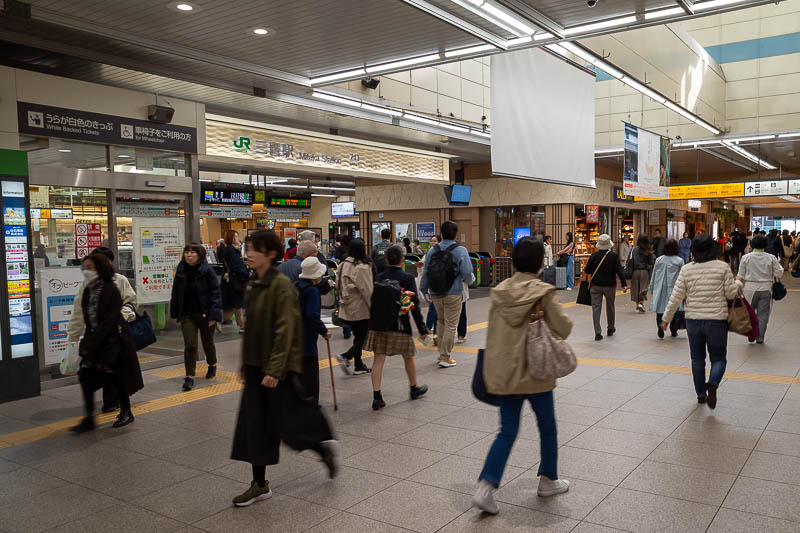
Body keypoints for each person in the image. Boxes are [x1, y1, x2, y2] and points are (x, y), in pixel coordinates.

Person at [231, 230, 339, 507]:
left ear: (269, 253)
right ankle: (259, 484)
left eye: (253, 249)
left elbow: (286, 330)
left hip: (275, 370)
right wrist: (246, 363)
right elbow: (252, 329)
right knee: (255, 427)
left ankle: (321, 447)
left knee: (289, 424)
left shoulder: (281, 286)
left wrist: (275, 370)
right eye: (247, 248)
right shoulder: (255, 284)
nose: (248, 254)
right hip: (257, 368)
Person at [472, 237, 572, 515]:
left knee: (507, 432)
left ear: (514, 261)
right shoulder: (543, 292)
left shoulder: (500, 291)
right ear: (541, 263)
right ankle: (548, 480)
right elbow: (564, 328)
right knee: (547, 427)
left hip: (506, 373)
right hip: (537, 372)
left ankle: (485, 487)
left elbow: (494, 336)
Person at [661, 234, 742, 409]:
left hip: (693, 321)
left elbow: (676, 297)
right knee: (719, 358)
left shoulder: (687, 269)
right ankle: (713, 382)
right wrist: (738, 284)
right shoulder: (722, 267)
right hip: (716, 320)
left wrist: (666, 318)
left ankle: (700, 394)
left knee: (697, 359)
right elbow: (730, 294)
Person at [71, 252, 143, 432]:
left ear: (100, 269)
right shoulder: (88, 289)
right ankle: (89, 417)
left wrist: (89, 344)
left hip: (113, 341)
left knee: (117, 377)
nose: (86, 271)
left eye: (90, 268)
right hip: (95, 340)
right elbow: (83, 315)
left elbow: (110, 321)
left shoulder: (112, 289)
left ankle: (126, 411)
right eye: (85, 268)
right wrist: (75, 337)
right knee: (86, 377)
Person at [366, 245, 429, 410]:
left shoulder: (379, 277)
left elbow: (374, 302)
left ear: (386, 259)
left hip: (379, 325)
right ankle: (413, 388)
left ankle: (377, 396)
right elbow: (414, 306)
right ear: (402, 260)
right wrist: (422, 329)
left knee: (378, 359)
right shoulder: (407, 278)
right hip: (401, 325)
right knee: (408, 357)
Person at [419, 221, 474, 368]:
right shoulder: (460, 250)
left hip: (436, 292)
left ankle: (441, 354)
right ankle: (445, 357)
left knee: (441, 322)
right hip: (454, 292)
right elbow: (467, 272)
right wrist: (470, 281)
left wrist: (424, 290)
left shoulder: (433, 250)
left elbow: (426, 272)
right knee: (451, 325)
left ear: (441, 233)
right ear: (456, 234)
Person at [170, 243, 222, 391]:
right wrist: (174, 312)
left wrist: (214, 315)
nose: (189, 255)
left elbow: (216, 294)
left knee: (207, 342)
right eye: (187, 252)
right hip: (187, 314)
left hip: (205, 314)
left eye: (193, 252)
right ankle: (189, 376)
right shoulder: (180, 270)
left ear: (200, 255)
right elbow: (176, 293)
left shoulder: (207, 271)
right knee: (190, 345)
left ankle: (212, 364)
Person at [295, 257, 331, 403]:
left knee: (299, 374)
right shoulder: (312, 291)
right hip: (307, 339)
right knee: (310, 375)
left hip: (294, 336)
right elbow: (312, 315)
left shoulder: (296, 286)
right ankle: (311, 404)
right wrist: (324, 331)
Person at [334, 238, 373, 375]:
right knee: (366, 336)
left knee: (358, 336)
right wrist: (374, 309)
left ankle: (358, 365)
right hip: (360, 308)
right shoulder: (362, 266)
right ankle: (346, 356)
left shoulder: (343, 264)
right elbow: (367, 291)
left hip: (347, 306)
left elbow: (337, 284)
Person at [737, 234, 783, 344]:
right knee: (763, 314)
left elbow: (740, 275)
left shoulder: (746, 257)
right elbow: (779, 273)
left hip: (749, 288)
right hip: (766, 288)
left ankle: (751, 333)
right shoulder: (771, 257)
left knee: (749, 313)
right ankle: (760, 337)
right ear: (765, 245)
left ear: (752, 245)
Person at [584, 234, 627, 341]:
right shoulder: (613, 256)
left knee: (596, 309)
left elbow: (587, 270)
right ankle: (611, 328)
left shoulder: (593, 256)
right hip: (610, 286)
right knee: (610, 307)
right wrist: (624, 283)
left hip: (595, 286)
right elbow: (619, 270)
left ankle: (597, 333)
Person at [650, 239, 685, 338]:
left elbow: (654, 274)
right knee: (674, 309)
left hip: (660, 288)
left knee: (660, 309)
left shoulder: (659, 259)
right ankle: (674, 330)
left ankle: (660, 326)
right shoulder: (679, 261)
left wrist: (652, 287)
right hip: (674, 289)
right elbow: (683, 277)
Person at [217, 230, 248, 334]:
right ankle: (242, 325)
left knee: (231, 306)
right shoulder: (230, 250)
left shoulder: (231, 249)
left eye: (237, 236)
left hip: (230, 280)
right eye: (235, 236)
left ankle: (216, 321)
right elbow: (236, 266)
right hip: (235, 281)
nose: (237, 238)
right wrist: (246, 272)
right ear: (230, 238)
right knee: (237, 304)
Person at [631, 234, 655, 313]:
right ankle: (641, 303)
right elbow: (651, 261)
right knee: (643, 288)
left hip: (635, 271)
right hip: (644, 271)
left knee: (635, 289)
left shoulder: (634, 249)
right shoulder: (648, 250)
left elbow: (631, 260)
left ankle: (637, 305)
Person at [424, 235, 440, 342]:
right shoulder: (429, 253)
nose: (432, 243)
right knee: (434, 308)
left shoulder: (440, 253)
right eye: (431, 241)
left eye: (435, 241)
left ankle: (431, 330)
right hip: (433, 285)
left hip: (439, 286)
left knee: (434, 308)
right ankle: (432, 331)